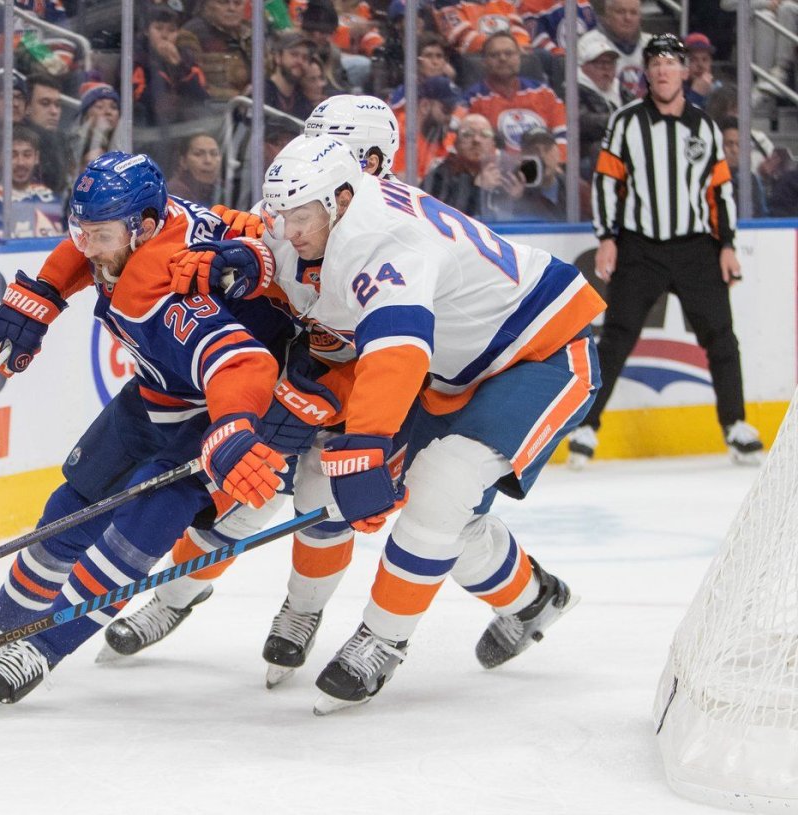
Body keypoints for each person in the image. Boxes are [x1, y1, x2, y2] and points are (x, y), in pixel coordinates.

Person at [258, 133, 605, 714]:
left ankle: (384, 639)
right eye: (281, 215)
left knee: (439, 490)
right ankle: (531, 600)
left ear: (341, 198)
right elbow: (258, 231)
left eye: (299, 218)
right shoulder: (325, 208)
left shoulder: (386, 238)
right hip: (450, 369)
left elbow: (397, 349)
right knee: (330, 479)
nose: (288, 231)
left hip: (538, 352)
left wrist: (367, 443)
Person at [0, 152, 296, 709]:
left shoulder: (162, 289)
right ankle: (4, 626)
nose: (87, 246)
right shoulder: (149, 224)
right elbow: (92, 251)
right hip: (156, 392)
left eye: (98, 235)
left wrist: (232, 428)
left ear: (144, 227)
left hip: (213, 413)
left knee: (142, 527)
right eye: (79, 231)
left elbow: (245, 365)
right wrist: (48, 290)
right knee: (70, 505)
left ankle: (42, 648)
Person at [99, 96, 404, 688]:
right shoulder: (290, 199)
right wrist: (237, 262)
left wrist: (346, 397)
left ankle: (303, 611)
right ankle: (175, 596)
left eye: (339, 149)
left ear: (372, 158)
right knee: (240, 492)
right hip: (292, 372)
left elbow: (402, 342)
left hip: (359, 387)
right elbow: (258, 257)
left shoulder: (394, 226)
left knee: (324, 501)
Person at [567, 34, 764, 468]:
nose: (661, 69)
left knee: (721, 337)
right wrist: (607, 237)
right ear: (647, 72)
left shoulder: (703, 125)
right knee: (616, 338)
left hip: (696, 248)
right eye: (655, 62)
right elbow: (606, 182)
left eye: (670, 62)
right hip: (641, 248)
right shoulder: (626, 122)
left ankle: (735, 425)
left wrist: (727, 244)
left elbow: (719, 190)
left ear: (683, 70)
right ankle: (586, 427)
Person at [463, 32, 567, 157]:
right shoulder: (472, 99)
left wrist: (558, 163)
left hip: (547, 168)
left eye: (509, 53)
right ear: (484, 62)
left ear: (519, 57)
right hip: (500, 169)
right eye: (494, 55)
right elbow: (472, 145)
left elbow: (563, 134)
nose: (502, 58)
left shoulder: (544, 92)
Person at [421, 112, 509, 219]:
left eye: (485, 134)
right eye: (467, 134)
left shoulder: (506, 171)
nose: (476, 140)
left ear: (493, 143)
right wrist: (479, 190)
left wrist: (518, 197)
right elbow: (445, 220)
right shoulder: (440, 176)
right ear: (456, 143)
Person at [577, 31, 633, 178]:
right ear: (585, 67)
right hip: (588, 152)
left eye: (610, 64)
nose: (607, 69)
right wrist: (617, 120)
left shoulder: (620, 89)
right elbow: (581, 121)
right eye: (601, 64)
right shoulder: (574, 88)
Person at [393, 76, 459, 183]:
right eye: (446, 110)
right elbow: (399, 180)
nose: (449, 118)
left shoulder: (448, 138)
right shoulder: (396, 133)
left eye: (453, 111)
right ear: (424, 106)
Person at [594, 0, 650, 99]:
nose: (627, 18)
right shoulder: (589, 45)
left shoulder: (651, 44)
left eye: (633, 12)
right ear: (608, 14)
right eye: (621, 12)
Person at [264, 30, 318, 121]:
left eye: (305, 57)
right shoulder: (260, 93)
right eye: (294, 54)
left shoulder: (303, 102)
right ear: (278, 57)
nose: (300, 61)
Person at [166, 133, 223, 206]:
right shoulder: (173, 196)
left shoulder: (227, 191)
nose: (208, 160)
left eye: (214, 154)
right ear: (183, 161)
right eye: (198, 154)